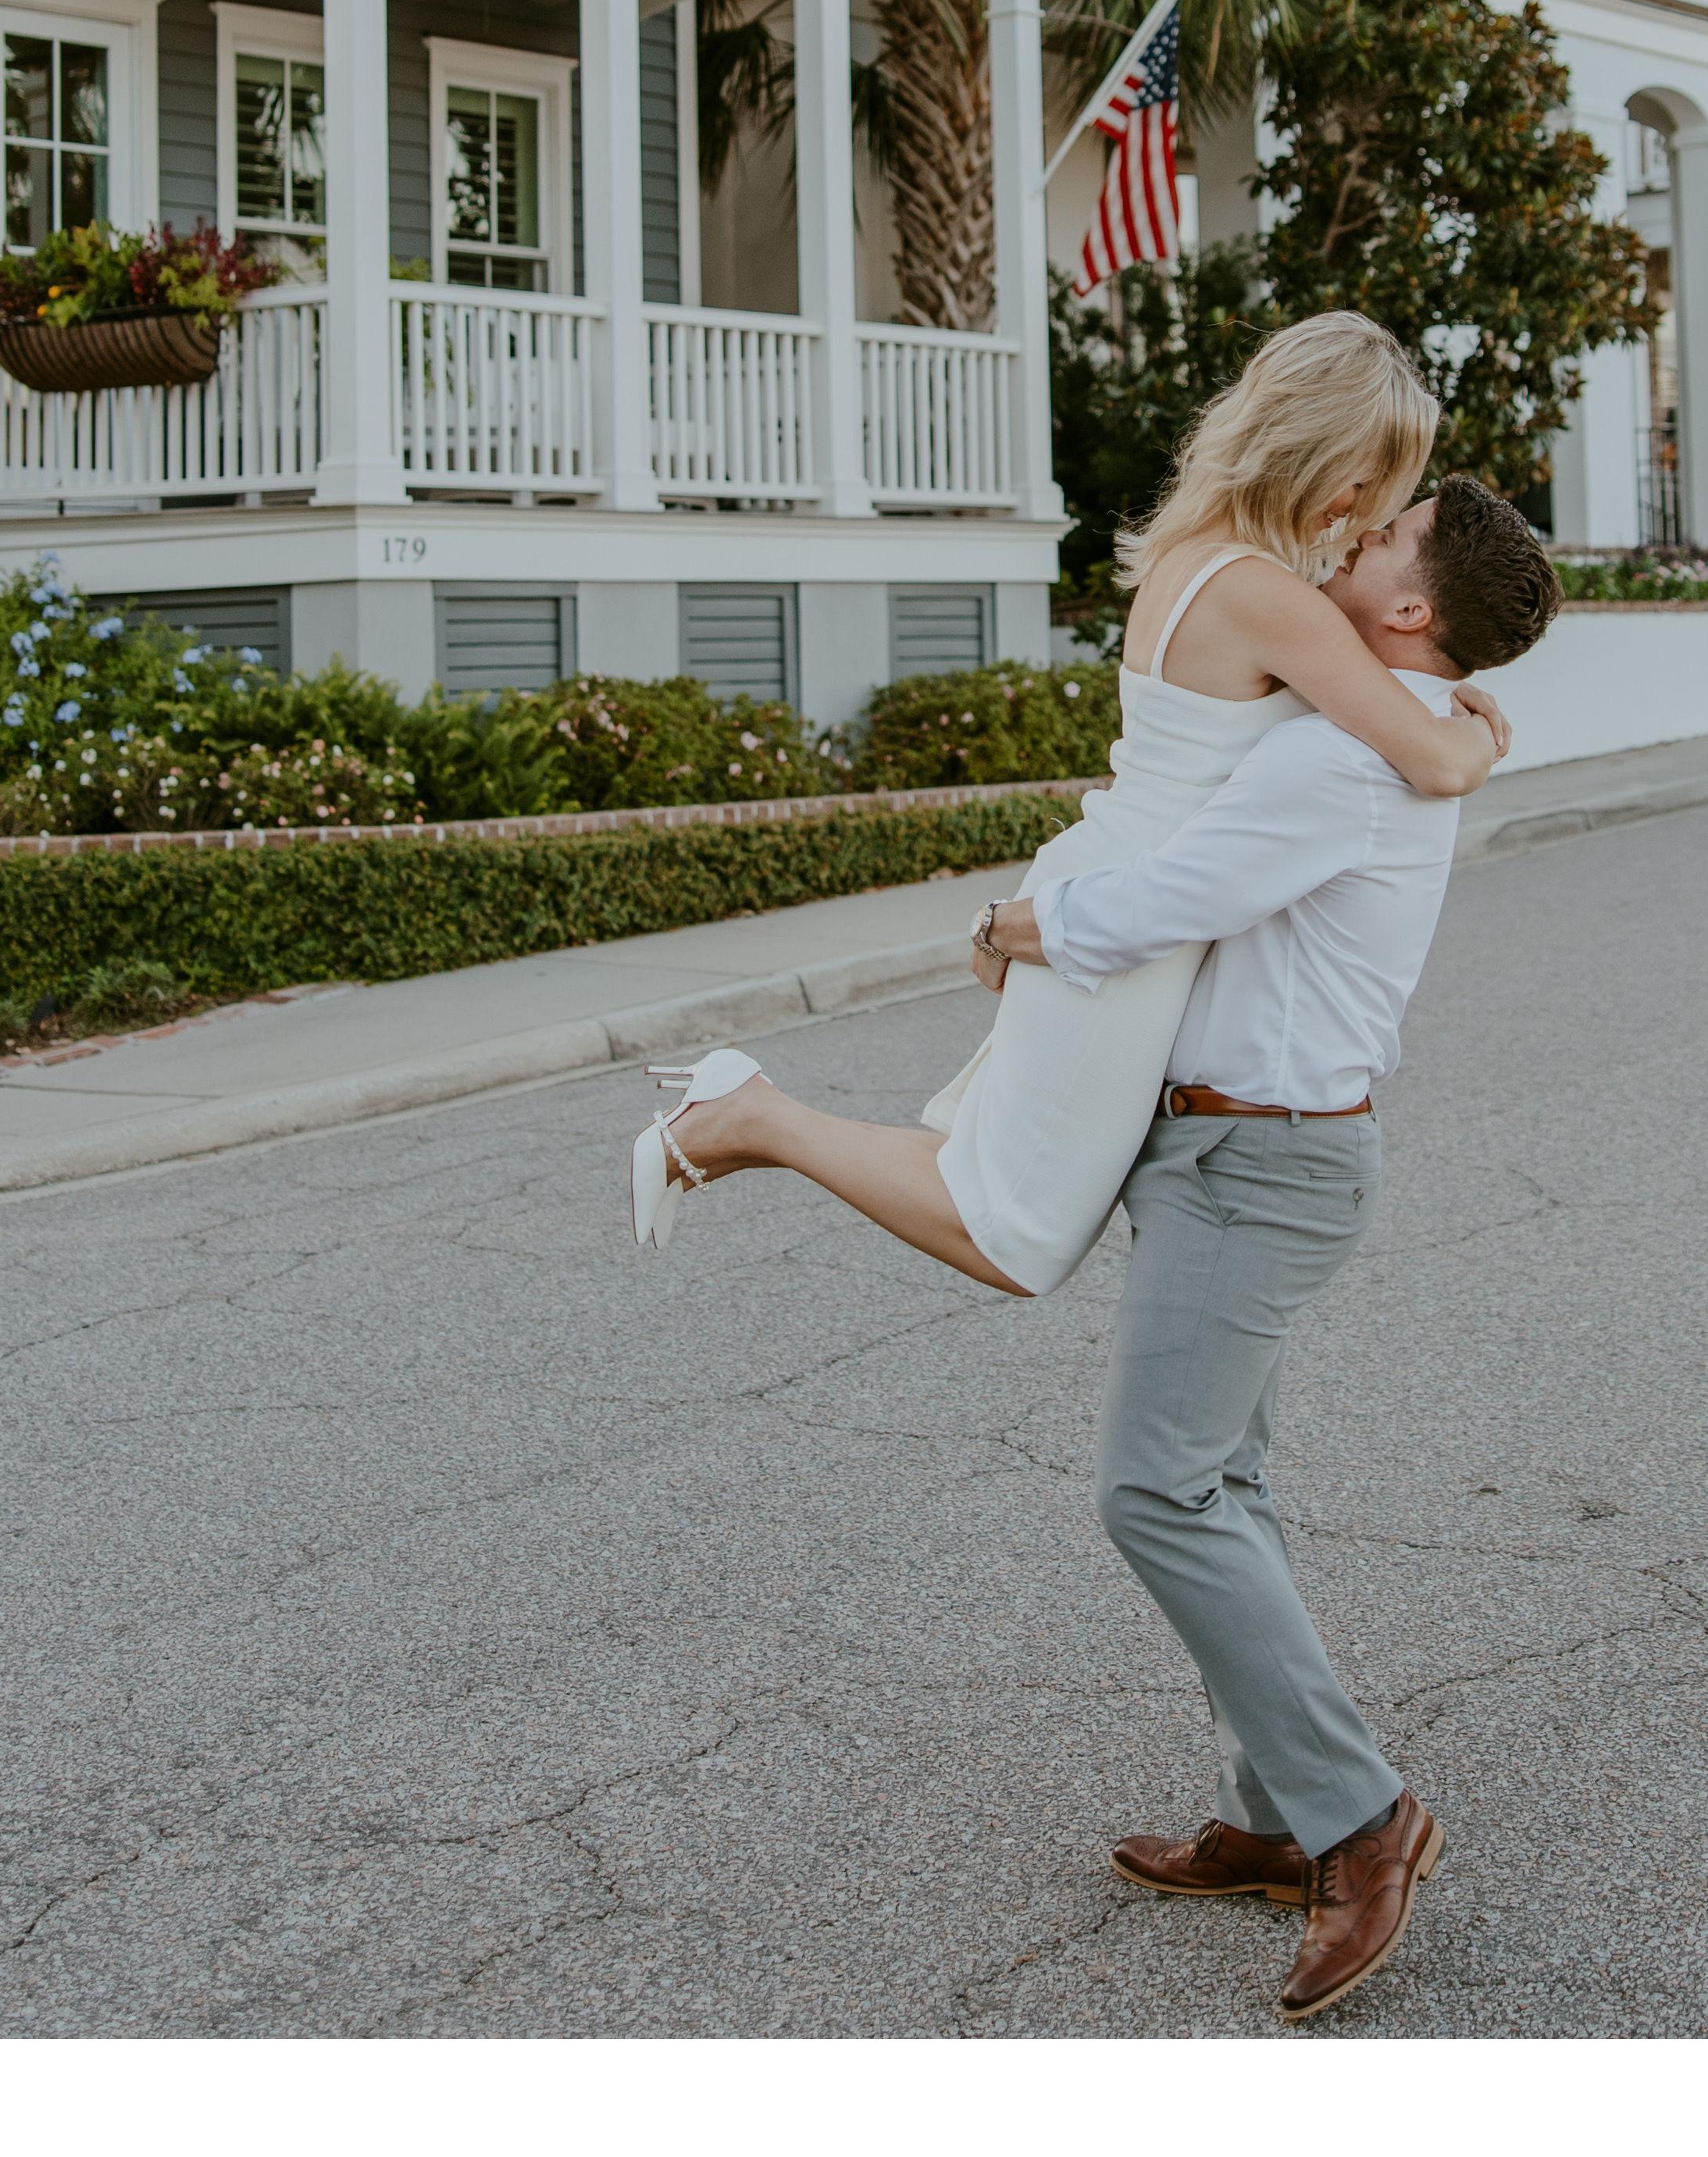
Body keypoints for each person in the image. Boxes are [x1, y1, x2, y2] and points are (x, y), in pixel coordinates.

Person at [979, 472, 1563, 2023]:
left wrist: (1021, 926)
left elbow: (1175, 896)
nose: (1352, 538)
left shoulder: (1341, 755)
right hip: (1241, 1151)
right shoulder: (1377, 733)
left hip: (1260, 1158)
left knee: (1154, 1490)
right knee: (1220, 1487)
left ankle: (1361, 1820)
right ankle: (1271, 1819)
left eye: (1383, 537)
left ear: (1411, 608)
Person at [632, 312, 1510, 1295]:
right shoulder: (1269, 597)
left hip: (1117, 881)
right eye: (1369, 484)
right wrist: (1476, 727)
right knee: (1013, 1235)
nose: (1359, 512)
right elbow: (1434, 763)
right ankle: (752, 1116)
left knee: (995, 1189)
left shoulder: (1205, 557)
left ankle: (748, 1116)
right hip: (1130, 917)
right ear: (1320, 454)